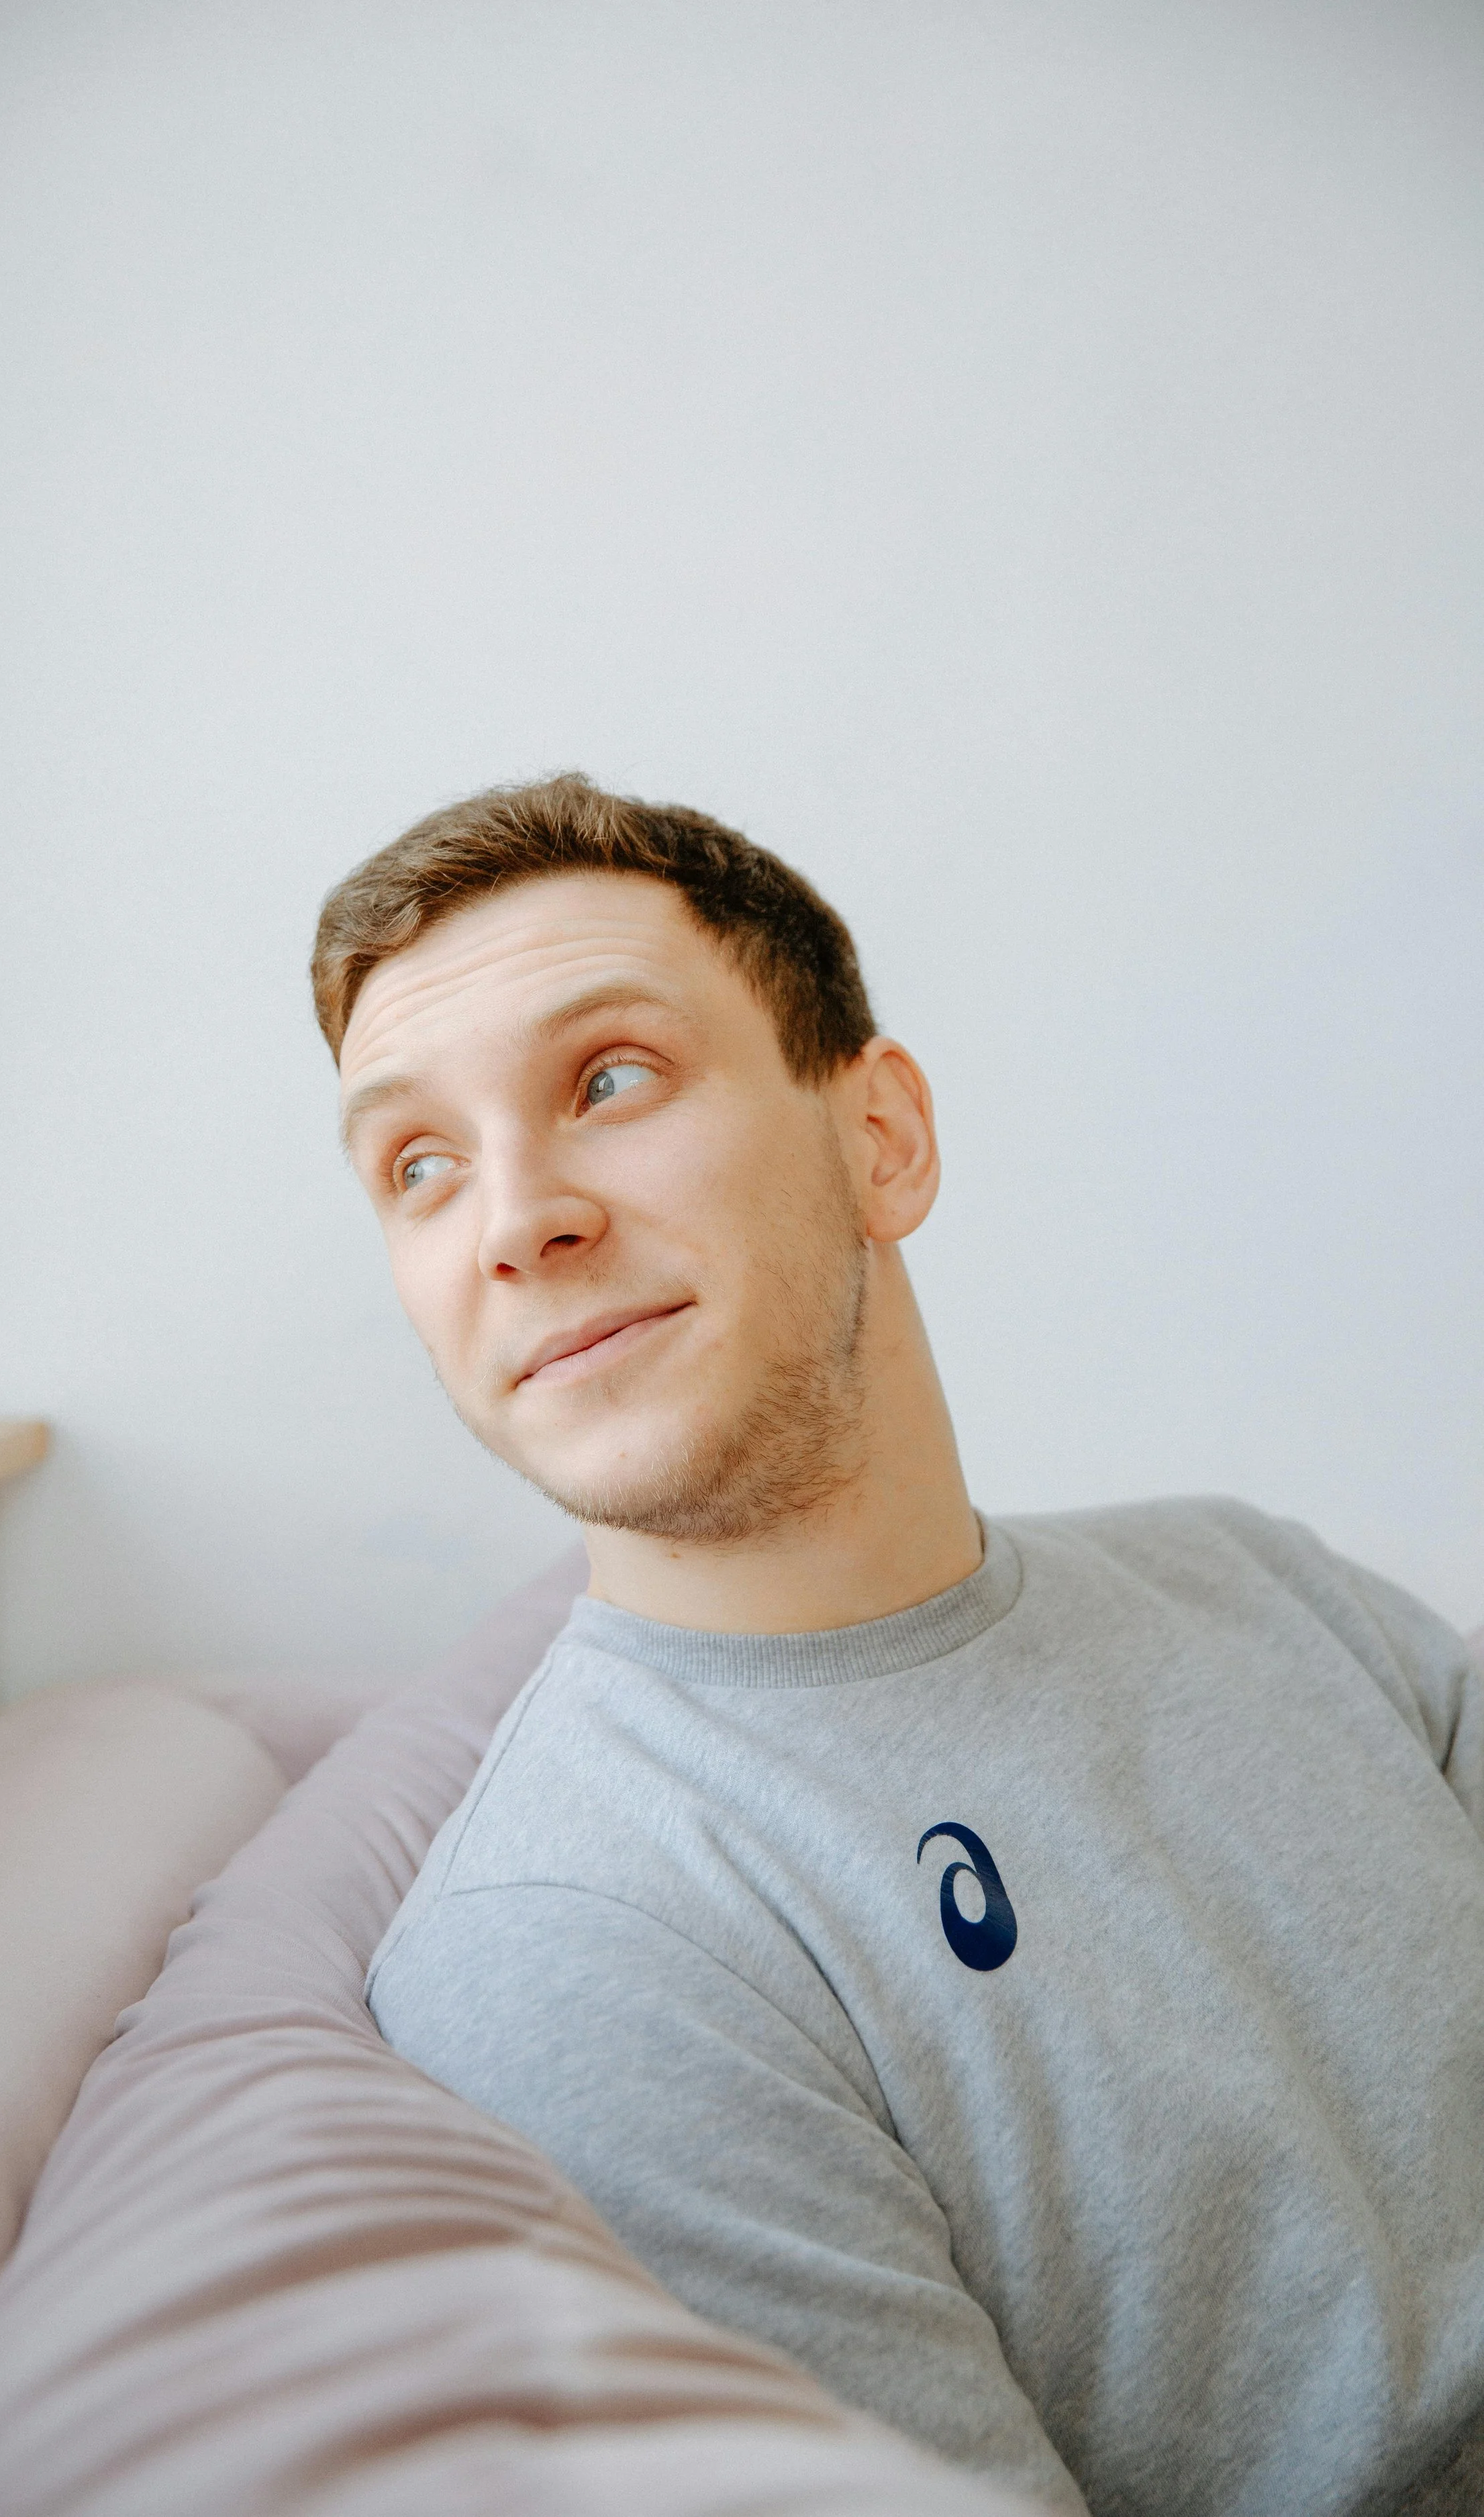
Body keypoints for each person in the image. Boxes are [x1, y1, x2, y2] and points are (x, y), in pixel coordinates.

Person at [312, 773, 1484, 2517]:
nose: (513, 1219)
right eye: (417, 1164)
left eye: (607, 1077)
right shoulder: (565, 1948)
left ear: (881, 1140)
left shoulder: (1257, 1580)